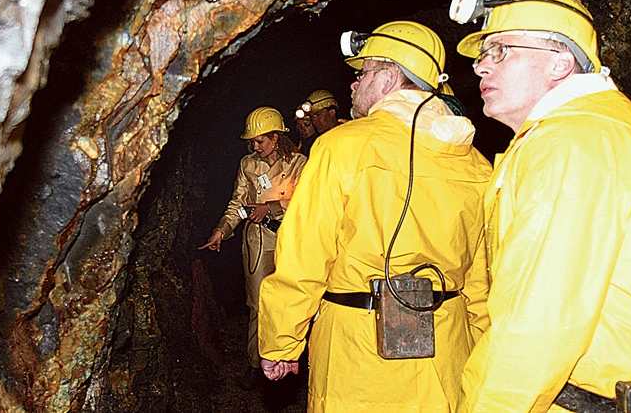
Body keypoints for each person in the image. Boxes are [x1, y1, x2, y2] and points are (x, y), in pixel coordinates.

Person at [448, 0, 631, 413]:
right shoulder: (593, 133)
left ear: (561, 63)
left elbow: (539, 320)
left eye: (501, 50)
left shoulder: (575, 145)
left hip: (591, 398)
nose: (481, 66)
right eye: (482, 54)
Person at [258, 21, 492, 412]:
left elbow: (305, 255)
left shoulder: (341, 147)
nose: (353, 84)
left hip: (359, 351)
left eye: (362, 73)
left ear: (388, 78)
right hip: (447, 353)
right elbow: (482, 282)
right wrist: (484, 353)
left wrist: (282, 341)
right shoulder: (477, 165)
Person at [198, 106, 308, 390]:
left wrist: (271, 206)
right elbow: (237, 203)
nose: (254, 146)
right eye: (252, 142)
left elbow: (309, 202)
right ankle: (256, 364)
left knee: (293, 300)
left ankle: (292, 361)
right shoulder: (249, 165)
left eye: (259, 140)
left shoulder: (299, 163)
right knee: (258, 304)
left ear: (275, 137)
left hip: (291, 239)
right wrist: (221, 229)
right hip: (258, 240)